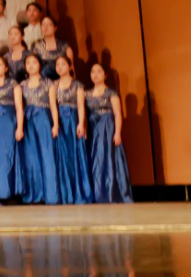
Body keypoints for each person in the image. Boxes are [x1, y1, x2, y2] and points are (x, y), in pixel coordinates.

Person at [85, 63, 133, 204]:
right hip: (93, 129)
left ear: (105, 75)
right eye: (93, 72)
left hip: (107, 128)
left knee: (108, 158)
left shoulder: (111, 93)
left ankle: (111, 193)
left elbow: (118, 114)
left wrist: (117, 133)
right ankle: (96, 193)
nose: (95, 75)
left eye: (99, 71)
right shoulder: (86, 94)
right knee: (94, 160)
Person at [19, 55, 60, 205]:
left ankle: (51, 194)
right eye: (28, 63)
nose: (31, 65)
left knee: (46, 154)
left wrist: (55, 124)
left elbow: (53, 105)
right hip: (28, 120)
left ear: (40, 65)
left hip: (43, 118)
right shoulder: (21, 85)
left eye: (34, 62)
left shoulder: (48, 83)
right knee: (31, 157)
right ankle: (35, 194)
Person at [0, 56, 25, 203]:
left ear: (6, 68)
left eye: (0, 65)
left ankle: (6, 193)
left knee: (6, 155)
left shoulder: (13, 84)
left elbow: (19, 108)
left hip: (8, 122)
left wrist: (20, 127)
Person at [52, 56, 92, 205]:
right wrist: (55, 124)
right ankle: (66, 193)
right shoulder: (53, 85)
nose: (60, 67)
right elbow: (53, 106)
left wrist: (81, 123)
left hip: (74, 120)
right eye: (57, 64)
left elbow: (81, 105)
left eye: (63, 64)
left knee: (76, 153)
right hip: (60, 122)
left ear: (69, 66)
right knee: (63, 156)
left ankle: (80, 192)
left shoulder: (77, 85)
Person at [32, 16, 73, 80]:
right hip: (44, 81)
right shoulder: (37, 47)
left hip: (62, 81)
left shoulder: (65, 46)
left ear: (55, 28)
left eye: (49, 24)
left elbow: (71, 68)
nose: (46, 27)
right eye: (43, 25)